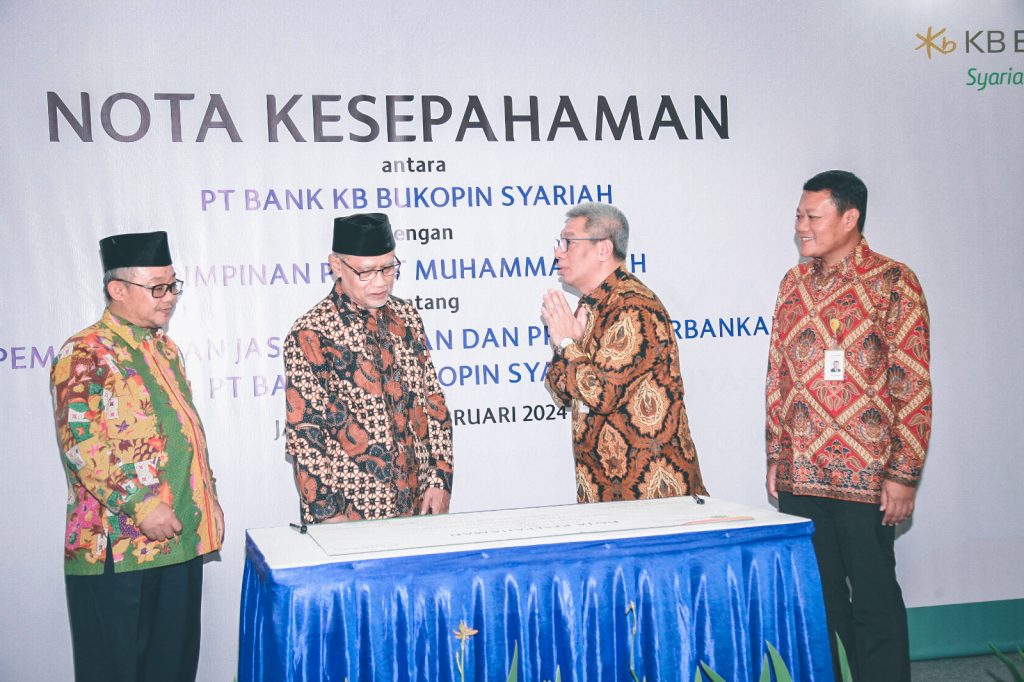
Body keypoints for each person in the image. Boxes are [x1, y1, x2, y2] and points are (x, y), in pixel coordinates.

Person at [765, 170, 931, 682]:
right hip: (801, 475)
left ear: (849, 218)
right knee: (822, 601)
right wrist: (776, 455)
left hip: (869, 478)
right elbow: (777, 375)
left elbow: (912, 381)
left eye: (812, 216)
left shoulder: (893, 282)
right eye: (799, 215)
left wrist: (903, 474)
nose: (801, 226)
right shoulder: (792, 284)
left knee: (874, 600)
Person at [50, 230, 224, 682]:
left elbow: (183, 437)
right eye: (157, 288)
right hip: (118, 549)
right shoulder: (84, 351)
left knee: (174, 670)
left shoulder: (166, 350)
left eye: (173, 285)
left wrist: (208, 502)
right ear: (118, 289)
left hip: (180, 542)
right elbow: (82, 446)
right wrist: (141, 505)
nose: (169, 297)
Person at [284, 213, 453, 523]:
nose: (380, 281)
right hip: (349, 512)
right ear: (337, 266)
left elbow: (433, 400)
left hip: (417, 502)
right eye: (366, 272)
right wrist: (328, 515)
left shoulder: (406, 317)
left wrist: (439, 478)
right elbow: (306, 435)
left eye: (388, 268)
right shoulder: (312, 333)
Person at [540, 202, 706, 502]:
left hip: (650, 494)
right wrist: (569, 346)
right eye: (559, 243)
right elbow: (559, 389)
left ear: (604, 249)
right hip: (602, 489)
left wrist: (567, 345)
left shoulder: (633, 306)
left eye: (568, 243)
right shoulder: (590, 306)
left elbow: (602, 394)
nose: (558, 253)